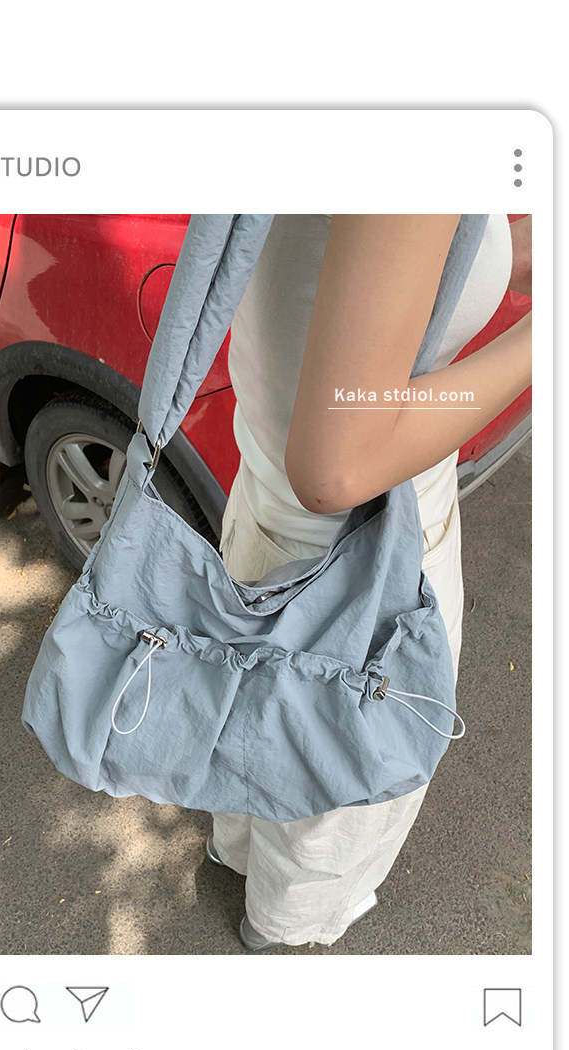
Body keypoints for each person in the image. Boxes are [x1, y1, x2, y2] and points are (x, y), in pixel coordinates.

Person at [206, 214, 532, 952]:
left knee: (248, 731)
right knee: (334, 792)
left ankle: (235, 858)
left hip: (265, 510)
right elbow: (338, 467)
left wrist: (497, 246)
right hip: (369, 562)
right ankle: (276, 928)